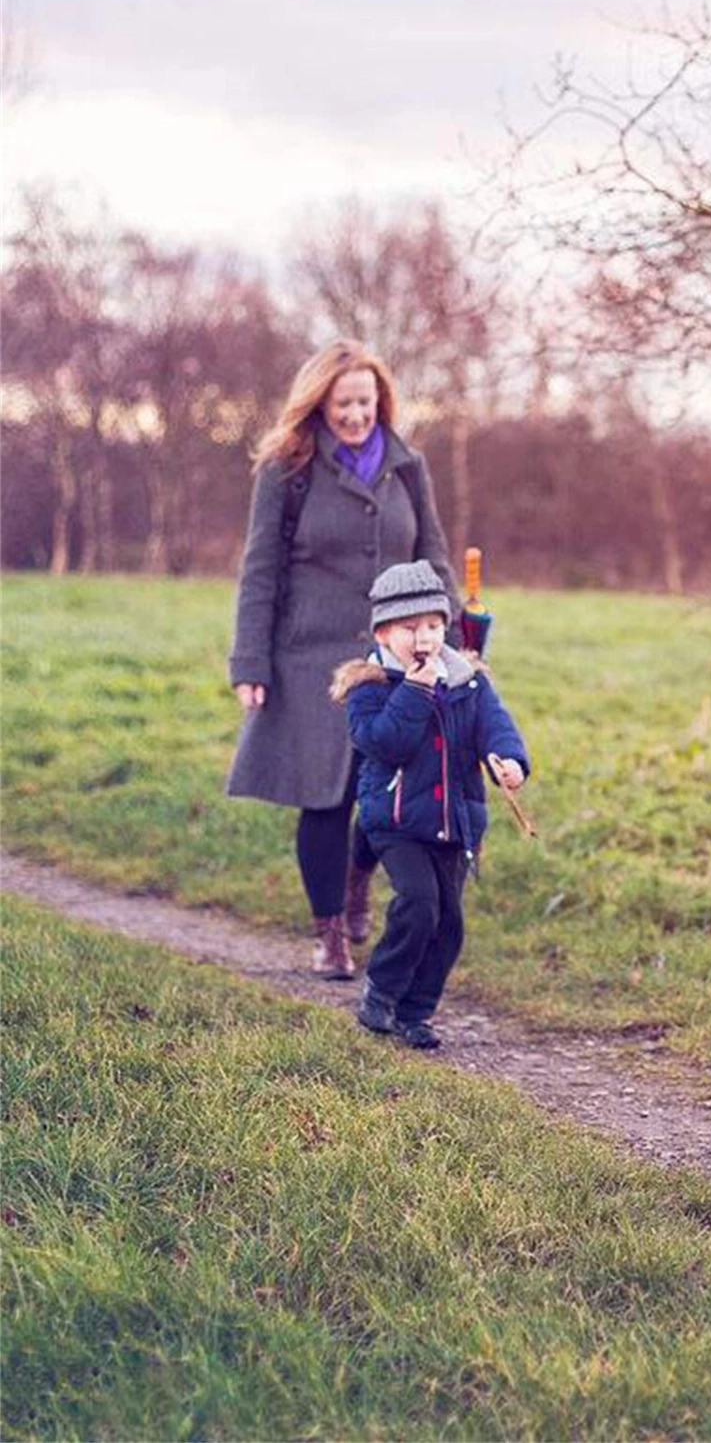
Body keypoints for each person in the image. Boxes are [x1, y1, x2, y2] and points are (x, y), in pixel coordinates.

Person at [226, 339, 460, 980]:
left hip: (395, 656)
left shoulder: (408, 464)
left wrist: (456, 636)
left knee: (389, 793)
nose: (356, 415)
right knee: (326, 799)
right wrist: (251, 662)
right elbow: (260, 570)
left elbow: (434, 555)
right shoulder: (286, 468)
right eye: (343, 404)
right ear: (318, 404)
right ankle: (330, 933)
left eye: (365, 401)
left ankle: (359, 881)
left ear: (380, 400)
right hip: (310, 661)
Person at [331, 559, 530, 1050]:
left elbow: (494, 725)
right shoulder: (368, 684)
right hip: (395, 819)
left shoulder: (467, 680)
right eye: (409, 628)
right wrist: (417, 690)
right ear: (382, 632)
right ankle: (382, 988)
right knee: (419, 905)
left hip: (455, 819)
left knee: (449, 924)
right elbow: (384, 743)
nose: (423, 638)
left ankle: (415, 1012)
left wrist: (509, 760)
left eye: (434, 626)